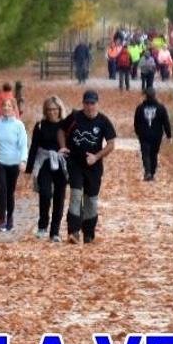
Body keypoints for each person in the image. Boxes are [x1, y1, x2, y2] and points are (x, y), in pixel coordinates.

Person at [61, 90, 116, 243]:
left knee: (91, 200)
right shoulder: (75, 117)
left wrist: (96, 156)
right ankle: (73, 231)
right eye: (87, 103)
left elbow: (111, 144)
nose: (89, 106)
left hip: (94, 166)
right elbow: (61, 129)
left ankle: (89, 233)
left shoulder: (103, 121)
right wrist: (63, 146)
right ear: (83, 103)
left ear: (97, 104)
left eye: (92, 103)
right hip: (75, 163)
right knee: (76, 195)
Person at [25, 96, 69, 242]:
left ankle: (55, 231)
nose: (52, 112)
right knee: (45, 193)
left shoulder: (65, 125)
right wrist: (29, 169)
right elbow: (34, 147)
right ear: (45, 111)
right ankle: (43, 225)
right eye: (49, 110)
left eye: (55, 109)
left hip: (61, 163)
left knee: (59, 197)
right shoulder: (40, 126)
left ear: (59, 110)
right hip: (44, 162)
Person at [0, 97, 28, 232]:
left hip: (14, 163)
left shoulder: (19, 125)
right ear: (0, 108)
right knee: (1, 189)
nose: (6, 108)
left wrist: (23, 160)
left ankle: (10, 217)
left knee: (10, 192)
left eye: (9, 106)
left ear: (14, 109)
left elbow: (23, 145)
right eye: (4, 106)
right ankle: (2, 219)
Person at [133, 86, 172, 181]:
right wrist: (169, 135)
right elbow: (166, 122)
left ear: (145, 96)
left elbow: (136, 122)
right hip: (156, 136)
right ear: (155, 96)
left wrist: (138, 133)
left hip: (144, 135)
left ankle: (148, 172)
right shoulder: (161, 108)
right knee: (154, 154)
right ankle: (152, 172)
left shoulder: (140, 108)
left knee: (145, 154)